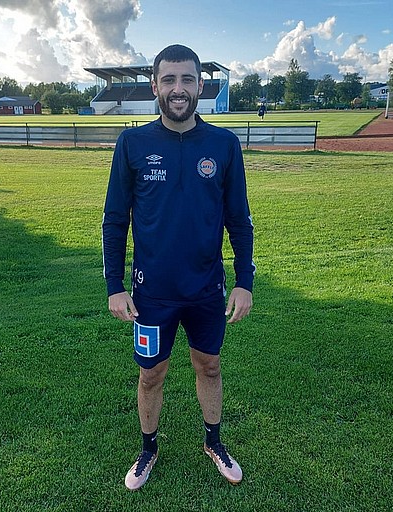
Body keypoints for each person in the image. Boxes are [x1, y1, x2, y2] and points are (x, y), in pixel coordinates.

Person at [102, 44, 255, 491]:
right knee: (151, 374)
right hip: (151, 294)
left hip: (206, 290)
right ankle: (148, 449)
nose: (178, 88)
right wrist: (114, 284)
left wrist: (244, 282)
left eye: (187, 79)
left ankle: (214, 442)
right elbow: (115, 218)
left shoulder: (223, 145)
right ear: (155, 86)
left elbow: (239, 219)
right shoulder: (133, 143)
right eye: (168, 79)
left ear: (200, 85)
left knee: (209, 366)